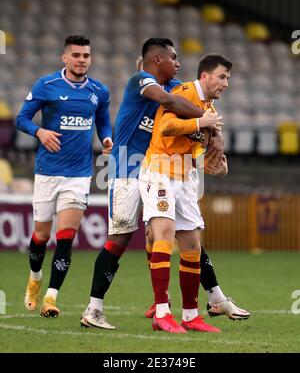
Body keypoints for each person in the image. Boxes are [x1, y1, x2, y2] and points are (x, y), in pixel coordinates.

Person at [80, 39, 248, 330]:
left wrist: (215, 133)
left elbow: (197, 102)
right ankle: (94, 309)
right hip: (125, 164)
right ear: (157, 60)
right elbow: (175, 105)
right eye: (173, 57)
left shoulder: (176, 87)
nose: (179, 63)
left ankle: (208, 298)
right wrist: (206, 121)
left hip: (160, 166)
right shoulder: (141, 81)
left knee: (181, 232)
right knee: (121, 238)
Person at [138, 54, 244, 333]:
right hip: (159, 170)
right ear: (205, 77)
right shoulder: (185, 92)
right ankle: (161, 313)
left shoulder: (208, 109)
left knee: (192, 245)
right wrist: (202, 123)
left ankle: (190, 315)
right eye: (222, 77)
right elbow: (166, 126)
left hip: (184, 176)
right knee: (163, 234)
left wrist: (216, 168)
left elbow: (195, 149)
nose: (226, 83)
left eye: (228, 79)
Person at [16, 35, 113, 318]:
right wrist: (40, 132)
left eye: (86, 55)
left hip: (79, 174)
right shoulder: (46, 85)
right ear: (65, 58)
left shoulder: (99, 91)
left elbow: (103, 121)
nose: (82, 60)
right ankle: (35, 277)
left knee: (66, 236)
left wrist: (106, 139)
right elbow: (22, 118)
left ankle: (51, 296)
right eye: (76, 55)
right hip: (47, 172)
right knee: (40, 235)